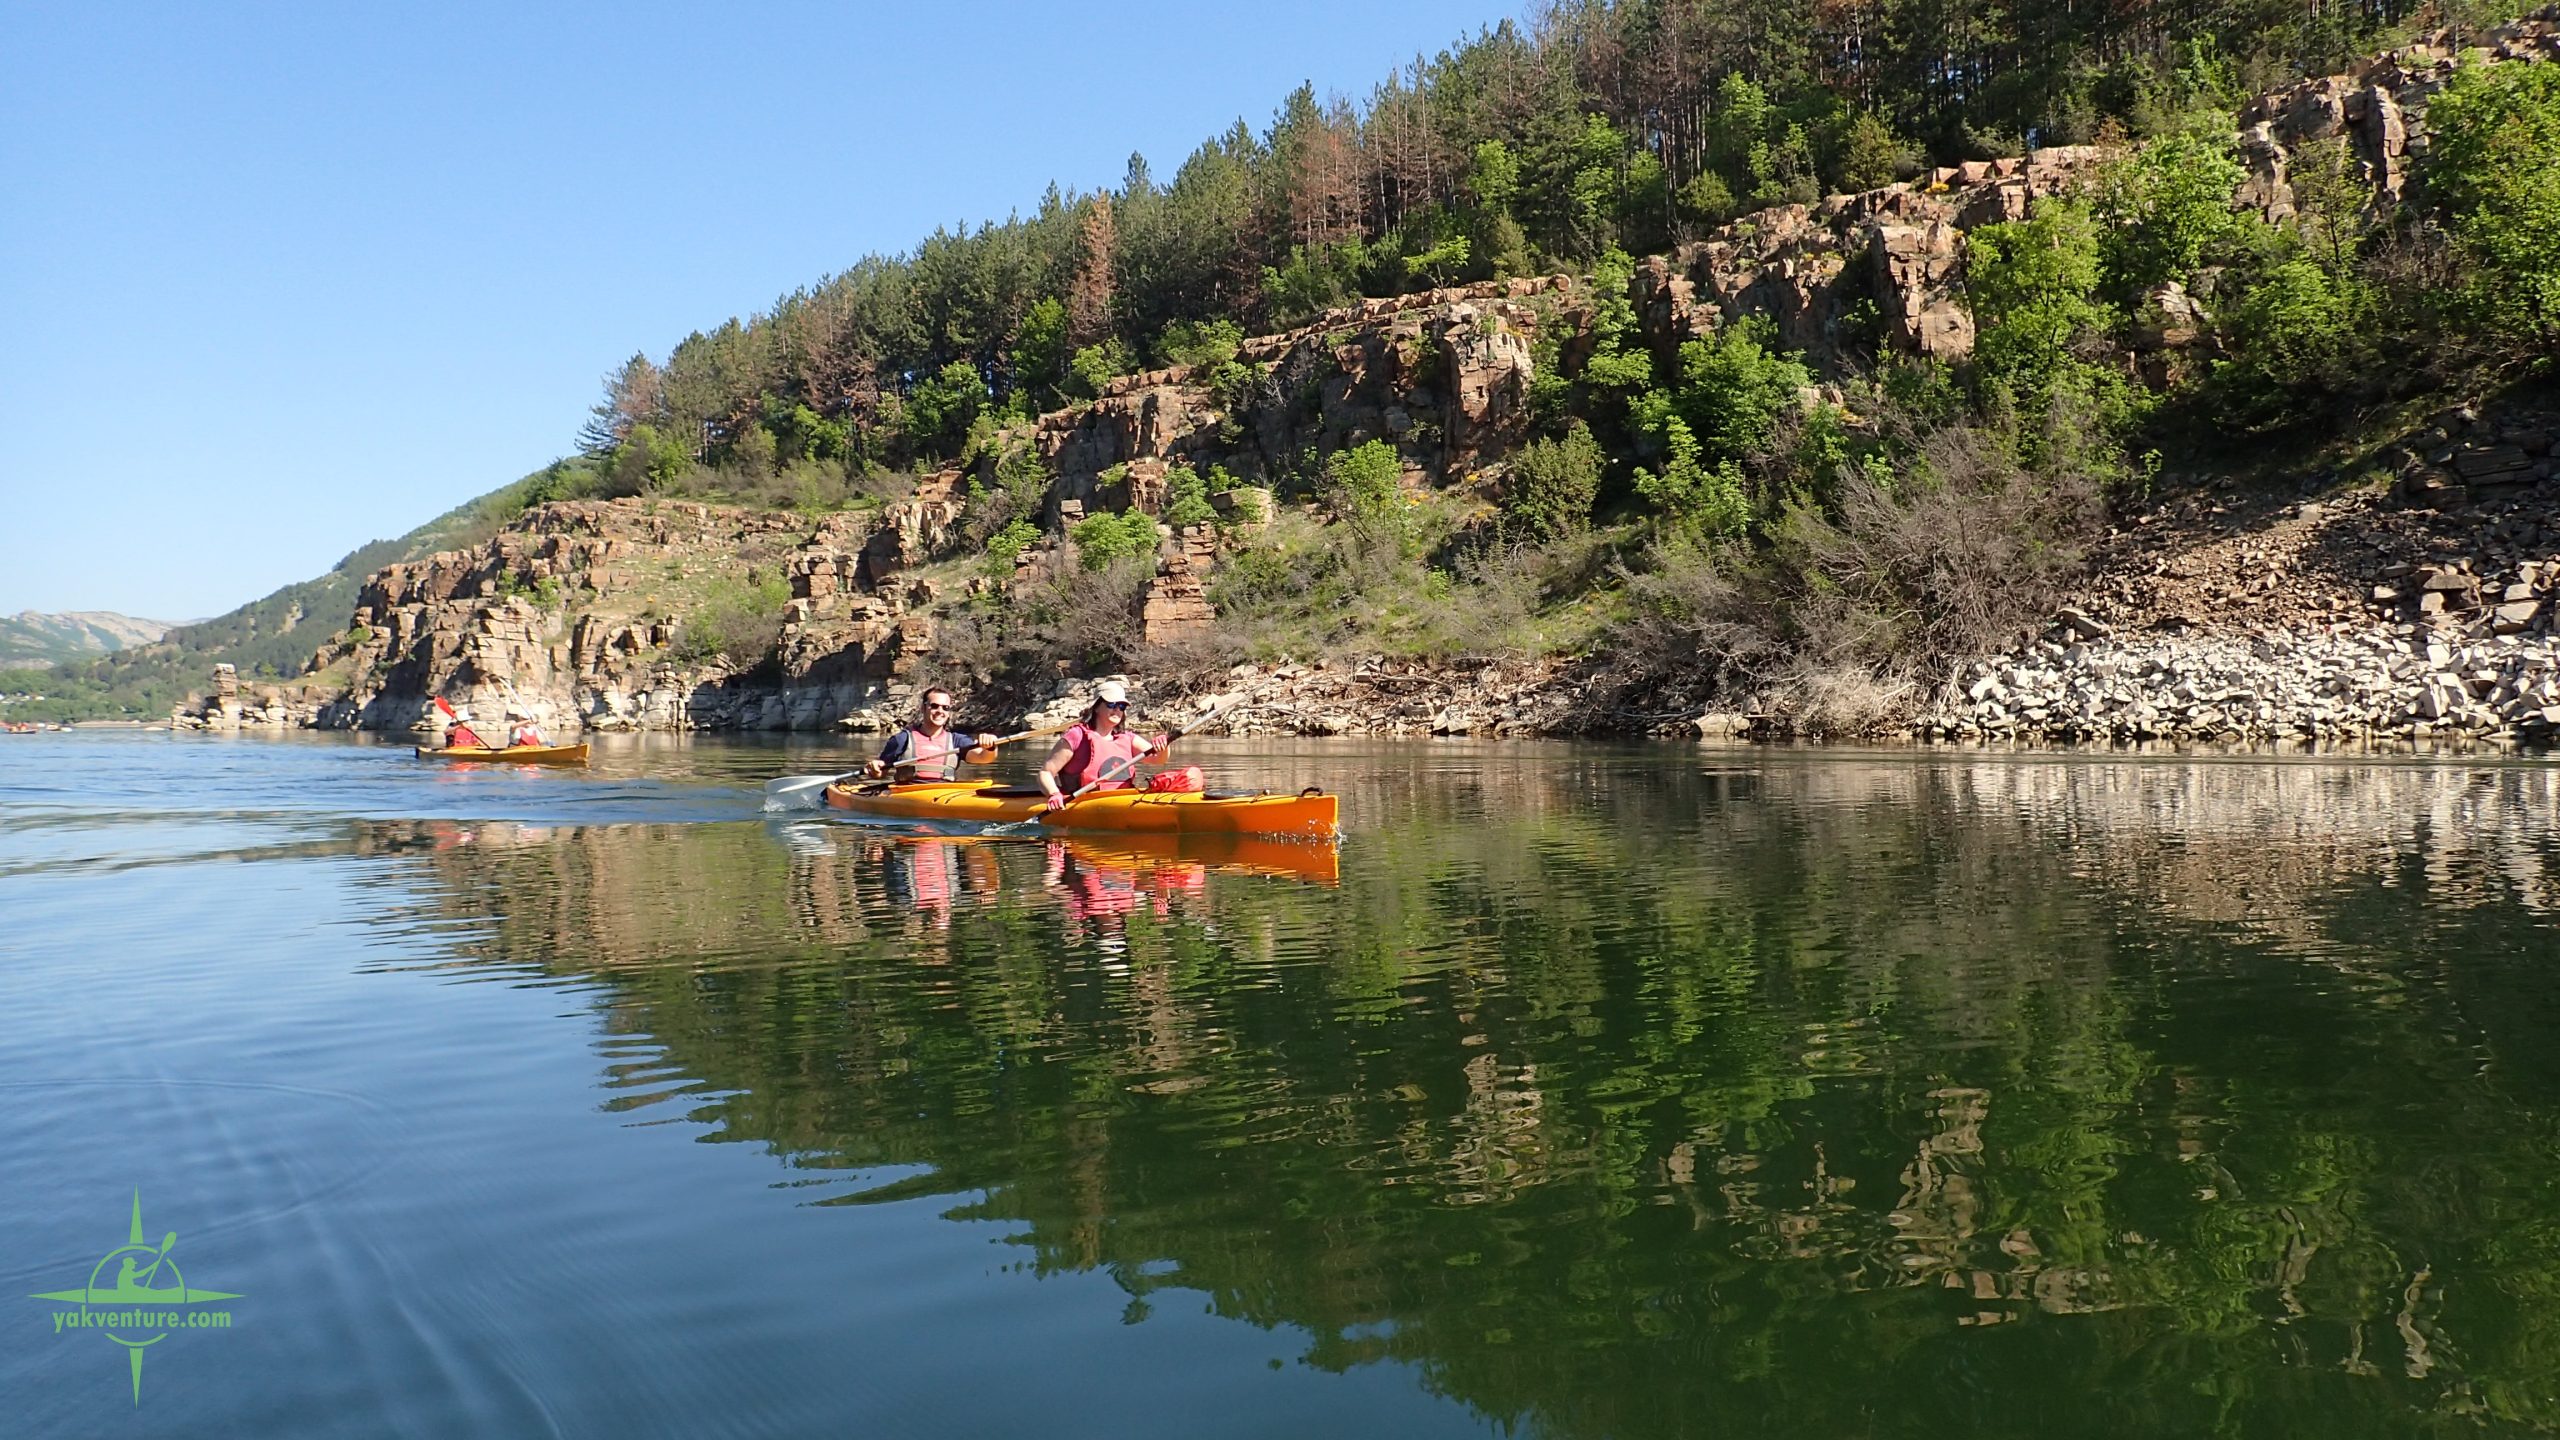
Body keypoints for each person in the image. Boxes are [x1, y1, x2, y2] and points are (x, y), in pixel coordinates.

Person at [1038, 680, 1203, 808]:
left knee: (1192, 778)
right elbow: (1045, 772)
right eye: (1111, 704)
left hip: (1123, 800)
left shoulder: (1127, 738)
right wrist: (1053, 794)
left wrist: (1164, 746)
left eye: (1122, 706)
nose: (1117, 709)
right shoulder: (1076, 736)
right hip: (1083, 803)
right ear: (1096, 707)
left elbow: (1158, 760)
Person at [865, 686, 996, 782]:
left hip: (944, 794)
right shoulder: (902, 739)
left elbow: (983, 758)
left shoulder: (957, 741)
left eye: (945, 708)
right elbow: (880, 772)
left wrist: (990, 747)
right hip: (909, 794)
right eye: (934, 706)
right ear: (923, 708)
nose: (940, 711)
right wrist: (875, 768)